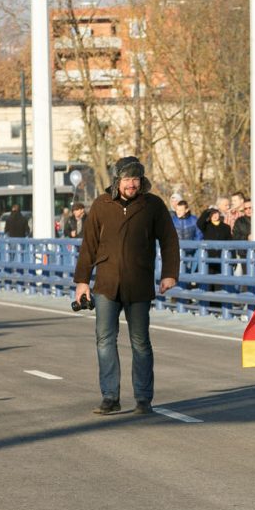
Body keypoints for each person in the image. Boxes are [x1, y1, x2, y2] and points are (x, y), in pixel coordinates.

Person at [73, 156, 180, 416]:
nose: (132, 184)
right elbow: (88, 245)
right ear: (117, 181)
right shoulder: (102, 204)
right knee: (104, 340)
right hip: (107, 284)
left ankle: (143, 399)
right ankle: (110, 397)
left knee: (140, 342)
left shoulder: (152, 205)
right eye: (127, 179)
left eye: (136, 179)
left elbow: (169, 240)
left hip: (139, 283)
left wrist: (169, 274)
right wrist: (82, 282)